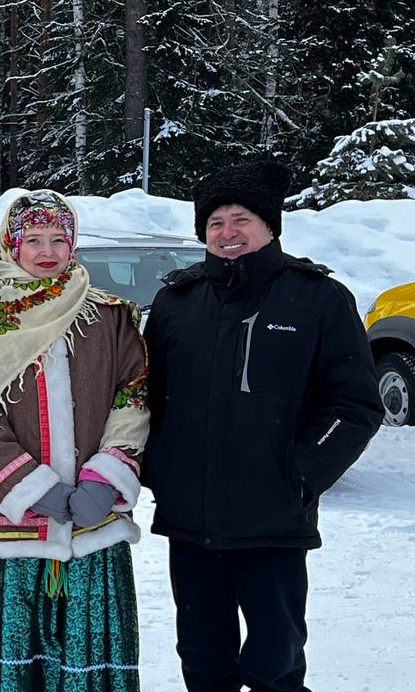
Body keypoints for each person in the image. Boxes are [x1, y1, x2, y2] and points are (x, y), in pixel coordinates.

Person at [143, 161, 384, 692]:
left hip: (273, 518)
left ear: (269, 224)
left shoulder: (318, 298)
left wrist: (300, 474)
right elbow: (145, 399)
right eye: (215, 224)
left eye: (241, 219)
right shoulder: (175, 303)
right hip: (190, 517)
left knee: (276, 661)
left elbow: (355, 404)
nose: (228, 233)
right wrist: (158, 466)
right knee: (203, 660)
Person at [0, 190, 148, 691]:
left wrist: (107, 478)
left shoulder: (110, 316)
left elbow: (132, 395)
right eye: (33, 239)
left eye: (59, 238)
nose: (47, 251)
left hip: (91, 520)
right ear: (11, 244)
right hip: (8, 521)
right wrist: (34, 488)